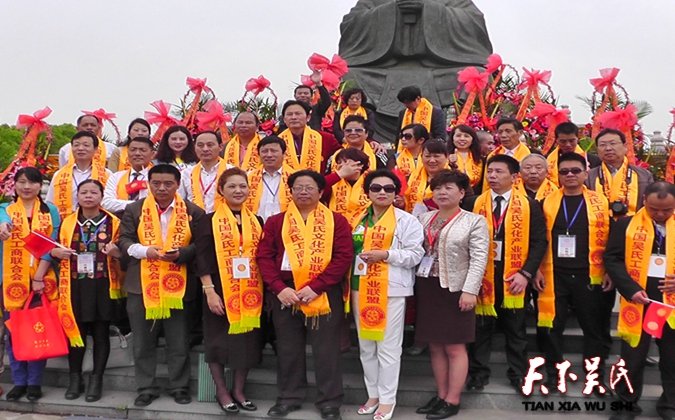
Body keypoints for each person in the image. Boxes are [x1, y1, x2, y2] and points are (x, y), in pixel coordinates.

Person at [256, 170, 353, 420]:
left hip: (322, 294)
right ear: (290, 191)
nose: (303, 192)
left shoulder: (336, 221)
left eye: (309, 187)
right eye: (298, 187)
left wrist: (317, 287)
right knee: (288, 349)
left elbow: (343, 257)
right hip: (286, 294)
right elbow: (264, 257)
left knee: (326, 350)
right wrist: (279, 288)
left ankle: (329, 402)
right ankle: (288, 398)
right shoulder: (276, 222)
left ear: (321, 192)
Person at [118, 164, 204, 407]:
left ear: (177, 184)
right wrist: (145, 251)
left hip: (179, 284)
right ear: (149, 184)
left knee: (179, 340)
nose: (162, 188)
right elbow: (124, 240)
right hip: (141, 284)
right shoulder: (134, 209)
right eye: (156, 183)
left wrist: (181, 254)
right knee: (143, 341)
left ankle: (179, 386)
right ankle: (146, 387)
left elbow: (201, 245)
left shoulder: (193, 211)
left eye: (168, 184)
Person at [464, 154, 546, 392]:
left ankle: (519, 374)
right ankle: (478, 374)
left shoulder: (529, 205)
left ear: (514, 177)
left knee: (516, 329)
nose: (492, 176)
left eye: (499, 172)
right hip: (482, 275)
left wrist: (526, 273)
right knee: (480, 328)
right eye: (490, 171)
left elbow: (539, 242)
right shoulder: (473, 203)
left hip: (515, 276)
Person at [350, 169, 424, 420]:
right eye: (376, 188)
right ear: (367, 192)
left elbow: (416, 254)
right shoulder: (358, 219)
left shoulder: (407, 221)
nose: (382, 192)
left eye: (388, 188)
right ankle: (373, 394)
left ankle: (387, 399)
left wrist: (386, 255)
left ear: (396, 193)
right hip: (360, 288)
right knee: (366, 347)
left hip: (391, 290)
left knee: (388, 348)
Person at [416, 170, 489, 419]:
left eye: (448, 188)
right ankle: (441, 395)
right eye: (437, 188)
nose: (442, 192)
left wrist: (470, 291)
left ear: (461, 193)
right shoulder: (424, 218)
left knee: (455, 347)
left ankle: (453, 399)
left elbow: (479, 259)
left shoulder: (474, 221)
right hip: (427, 287)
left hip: (456, 290)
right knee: (435, 346)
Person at [537, 152, 612, 392]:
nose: (570, 175)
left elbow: (611, 241)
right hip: (554, 274)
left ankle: (595, 377)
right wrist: (536, 270)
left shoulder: (600, 202)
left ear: (585, 173)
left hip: (589, 275)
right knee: (551, 327)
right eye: (564, 171)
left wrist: (609, 271)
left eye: (575, 171)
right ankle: (554, 374)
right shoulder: (546, 202)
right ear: (557, 175)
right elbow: (537, 239)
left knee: (593, 329)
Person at [195, 168, 264, 414]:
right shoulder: (209, 220)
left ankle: (239, 390)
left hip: (250, 290)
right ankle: (222, 391)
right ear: (221, 190)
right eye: (232, 186)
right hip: (219, 289)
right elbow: (201, 257)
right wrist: (209, 291)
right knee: (218, 340)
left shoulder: (257, 220)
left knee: (247, 341)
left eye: (242, 186)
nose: (238, 190)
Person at [604, 181, 675, 420]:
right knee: (632, 356)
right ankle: (626, 404)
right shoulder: (626, 224)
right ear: (644, 200)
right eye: (654, 209)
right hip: (639, 298)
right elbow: (613, 259)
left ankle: (670, 405)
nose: (661, 214)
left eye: (667, 210)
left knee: (672, 356)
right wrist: (630, 289)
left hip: (671, 301)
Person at [51, 180, 123, 402]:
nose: (89, 196)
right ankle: (75, 379)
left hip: (103, 283)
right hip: (75, 284)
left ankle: (96, 379)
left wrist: (117, 252)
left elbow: (124, 252)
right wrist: (55, 253)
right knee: (76, 332)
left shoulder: (114, 222)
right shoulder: (67, 222)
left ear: (101, 196)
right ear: (78, 196)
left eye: (94, 192)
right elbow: (52, 248)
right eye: (84, 192)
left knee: (101, 332)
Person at [0, 167, 60, 402]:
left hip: (40, 280)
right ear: (14, 185)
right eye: (22, 182)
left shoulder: (50, 211)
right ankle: (19, 382)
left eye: (32, 182)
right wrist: (3, 228)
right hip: (11, 280)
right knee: (14, 332)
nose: (27, 187)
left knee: (37, 329)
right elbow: (3, 223)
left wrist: (38, 277)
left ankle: (34, 382)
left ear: (40, 186)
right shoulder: (5, 210)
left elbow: (51, 244)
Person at [587, 128, 654, 218]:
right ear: (597, 150)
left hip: (635, 223)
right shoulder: (588, 176)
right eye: (602, 145)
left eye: (613, 143)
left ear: (625, 146)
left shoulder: (643, 175)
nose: (608, 148)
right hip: (600, 223)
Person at [47, 131, 113, 218]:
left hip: (98, 221)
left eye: (86, 145)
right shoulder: (59, 175)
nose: (80, 148)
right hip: (65, 222)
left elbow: (110, 202)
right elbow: (50, 203)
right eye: (76, 145)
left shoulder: (107, 174)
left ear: (95, 149)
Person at [277, 100, 342, 174]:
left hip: (318, 180)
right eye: (289, 114)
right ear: (284, 119)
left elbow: (342, 155)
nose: (294, 117)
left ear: (308, 117)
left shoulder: (325, 138)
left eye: (298, 114)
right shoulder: (277, 141)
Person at [102, 137, 155, 217]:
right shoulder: (116, 177)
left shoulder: (158, 178)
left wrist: (122, 204)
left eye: (142, 150)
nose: (137, 153)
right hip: (121, 220)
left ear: (152, 154)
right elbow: (106, 203)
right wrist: (136, 205)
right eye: (133, 150)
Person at [245, 135, 294, 222]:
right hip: (255, 225)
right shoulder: (248, 177)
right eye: (264, 151)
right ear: (258, 154)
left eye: (274, 151)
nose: (269, 155)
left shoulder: (295, 177)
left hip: (286, 225)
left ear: (284, 154)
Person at [179, 131, 229, 213]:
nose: (205, 149)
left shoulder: (231, 171)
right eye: (200, 145)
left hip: (224, 218)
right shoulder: (186, 173)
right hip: (194, 219)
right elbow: (179, 199)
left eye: (210, 145)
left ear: (220, 147)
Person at [323, 148, 372, 225]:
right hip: (336, 225)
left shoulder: (371, 180)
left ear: (360, 165)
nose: (341, 166)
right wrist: (339, 175)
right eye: (339, 162)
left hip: (364, 225)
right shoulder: (333, 180)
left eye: (346, 163)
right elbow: (317, 188)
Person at [481, 118, 531, 192]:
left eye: (508, 131)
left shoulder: (531, 155)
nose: (503, 135)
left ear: (520, 133)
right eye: (500, 132)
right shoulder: (492, 155)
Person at [404, 140, 450, 217]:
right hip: (412, 221)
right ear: (421, 157)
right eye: (427, 156)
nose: (432, 160)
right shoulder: (411, 177)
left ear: (447, 157)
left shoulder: (455, 179)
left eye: (436, 156)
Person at [448, 124, 484, 190]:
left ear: (472, 140)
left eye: (466, 136)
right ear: (452, 138)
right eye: (458, 136)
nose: (462, 139)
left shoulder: (480, 159)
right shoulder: (446, 156)